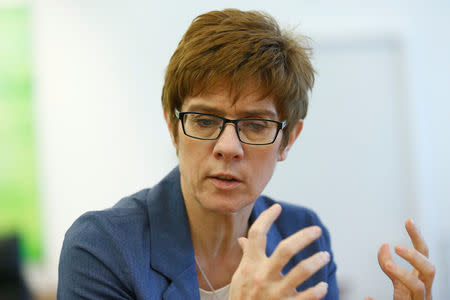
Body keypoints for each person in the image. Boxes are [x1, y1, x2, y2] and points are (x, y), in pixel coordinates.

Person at [57, 8, 435, 300]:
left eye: (255, 125)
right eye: (204, 120)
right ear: (172, 127)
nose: (227, 147)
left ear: (288, 141)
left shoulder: (302, 237)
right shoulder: (104, 247)